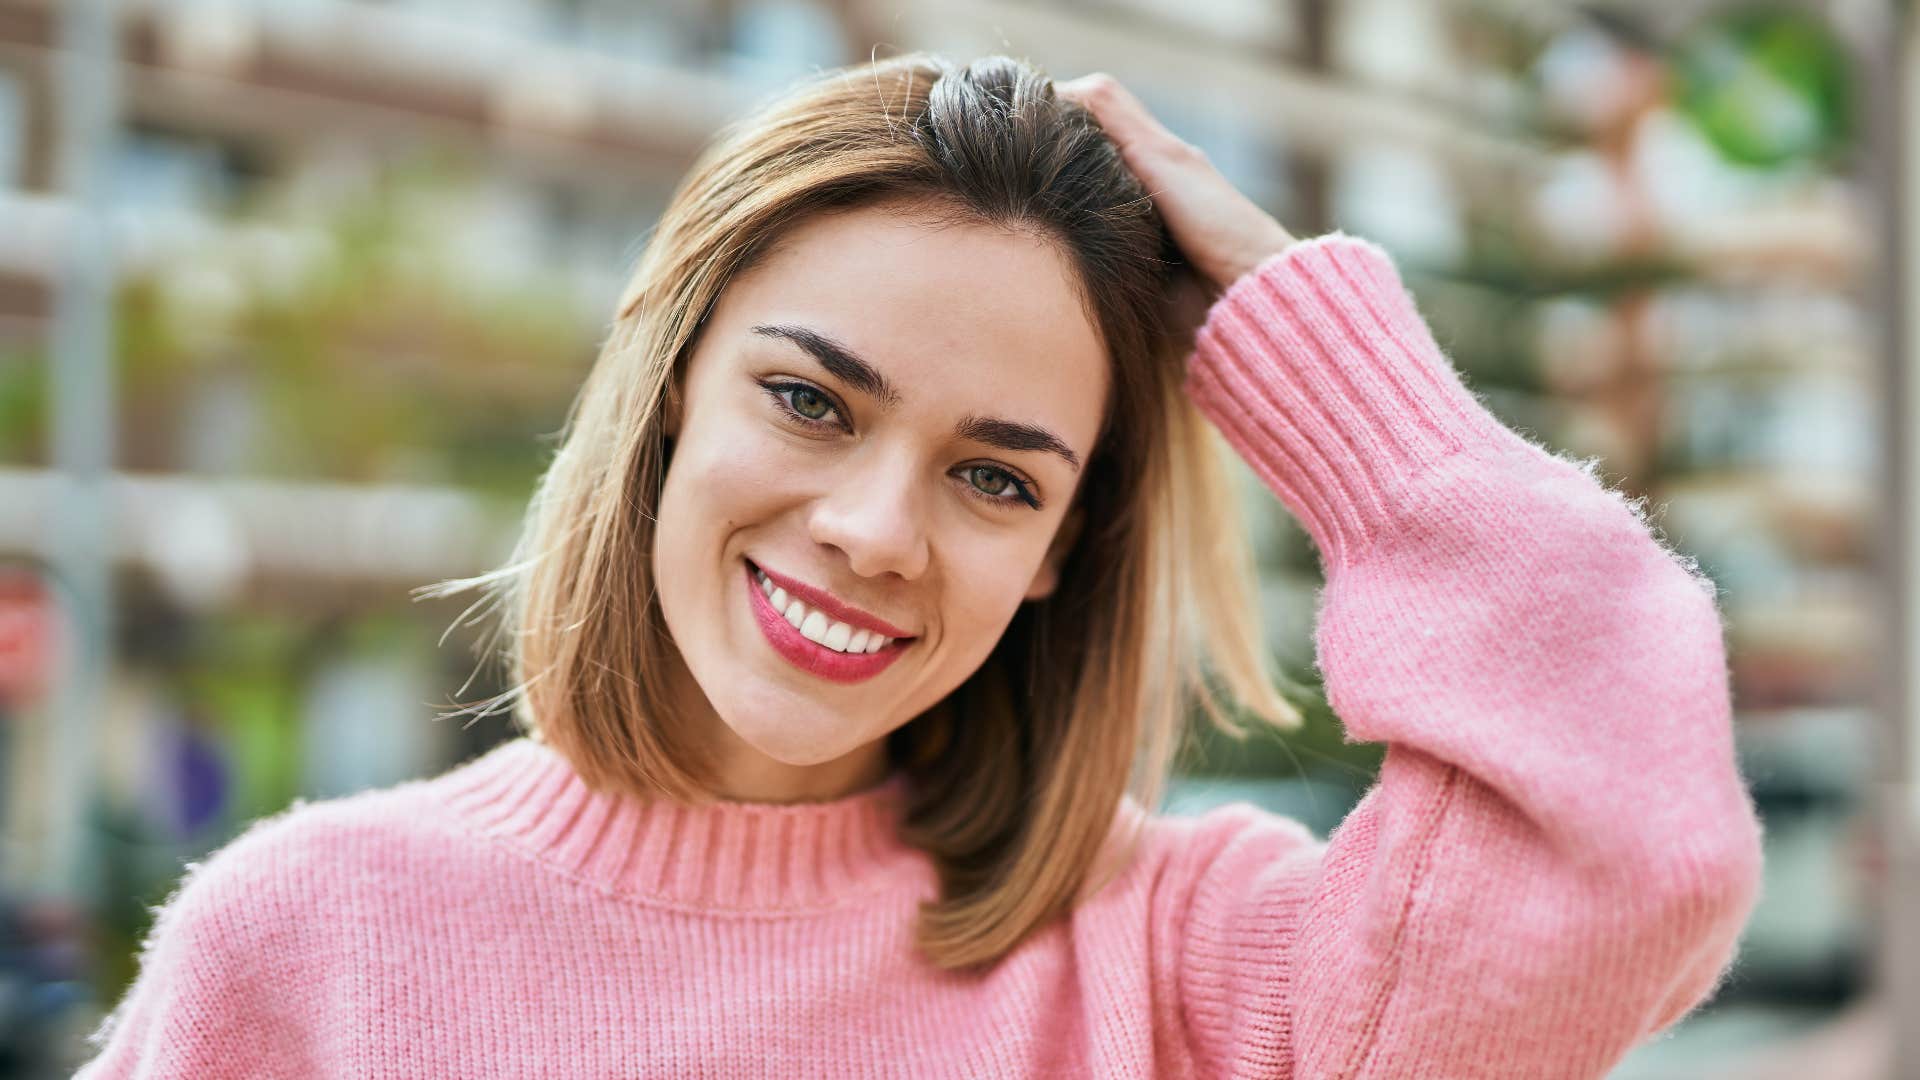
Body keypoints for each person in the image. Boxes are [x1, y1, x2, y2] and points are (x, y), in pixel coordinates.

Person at [74, 52, 1762, 1078]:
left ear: (1057, 555)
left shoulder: (1183, 966)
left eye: (993, 477)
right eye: (810, 401)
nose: (877, 530)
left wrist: (1314, 351)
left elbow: (1635, 856)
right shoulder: (304, 946)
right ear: (663, 386)